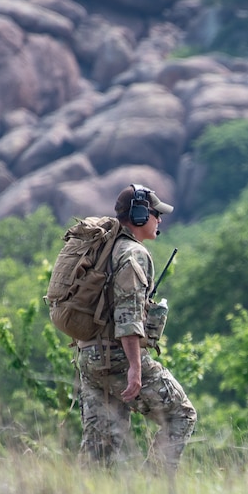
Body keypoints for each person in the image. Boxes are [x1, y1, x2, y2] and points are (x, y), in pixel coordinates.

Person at [74, 184, 197, 468]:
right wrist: (135, 368)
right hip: (118, 358)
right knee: (180, 415)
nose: (160, 220)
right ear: (140, 215)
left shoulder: (106, 249)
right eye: (155, 214)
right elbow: (128, 316)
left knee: (100, 450)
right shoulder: (133, 254)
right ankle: (152, 486)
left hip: (89, 358)